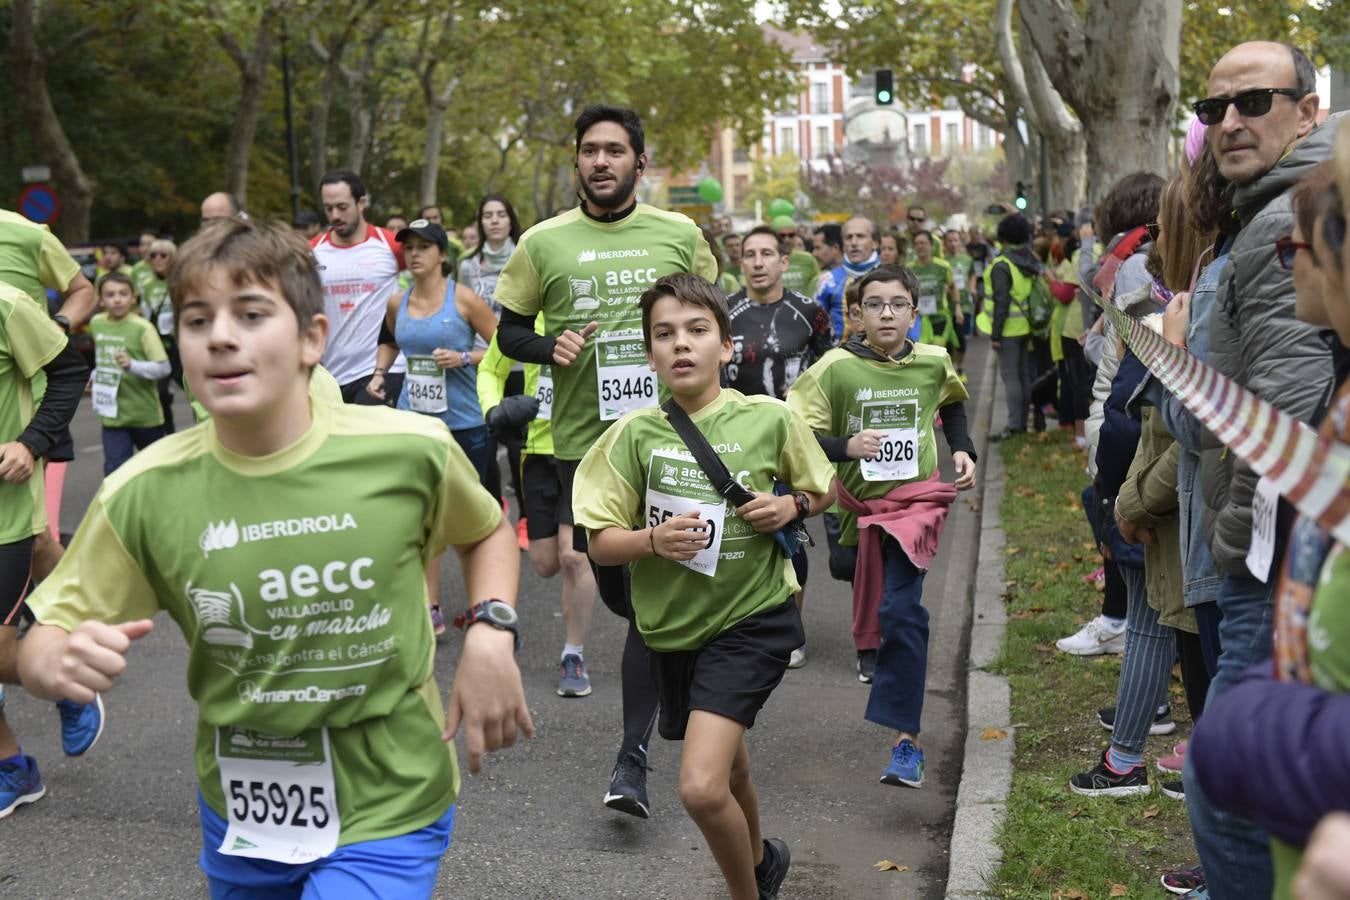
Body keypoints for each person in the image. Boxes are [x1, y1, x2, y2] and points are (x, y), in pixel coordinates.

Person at [16, 217, 532, 897]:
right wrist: (46, 661)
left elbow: (487, 530)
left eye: (252, 314)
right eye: (197, 321)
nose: (221, 335)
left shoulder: (410, 451)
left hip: (392, 792)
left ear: (312, 339)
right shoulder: (141, 491)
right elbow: (44, 629)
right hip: (242, 806)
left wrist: (491, 632)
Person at [575, 272, 835, 900]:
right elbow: (599, 542)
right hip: (672, 628)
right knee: (730, 760)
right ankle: (762, 859)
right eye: (664, 335)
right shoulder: (632, 435)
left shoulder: (769, 418)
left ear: (726, 346)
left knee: (698, 785)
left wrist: (792, 506)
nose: (681, 345)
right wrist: (651, 542)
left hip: (752, 619)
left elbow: (823, 487)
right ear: (649, 353)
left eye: (697, 331)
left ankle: (748, 892)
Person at [494, 104, 718, 819]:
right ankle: (672, 701)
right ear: (577, 162)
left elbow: (714, 314)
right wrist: (547, 347)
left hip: (674, 439)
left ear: (639, 164)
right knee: (626, 598)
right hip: (586, 449)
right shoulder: (542, 242)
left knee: (653, 606)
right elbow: (510, 329)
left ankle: (633, 759)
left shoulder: (679, 233)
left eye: (615, 151)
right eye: (589, 150)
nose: (601, 161)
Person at [1183, 42, 1336, 898]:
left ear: (1309, 110)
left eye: (1255, 102)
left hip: (1266, 558)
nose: (1231, 123)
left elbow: (1286, 404)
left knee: (1227, 782)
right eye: (1215, 110)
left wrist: (1241, 543)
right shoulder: (1264, 207)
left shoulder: (1289, 217)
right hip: (1260, 550)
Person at [787, 264, 976, 784]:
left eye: (897, 304)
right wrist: (845, 447)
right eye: (875, 304)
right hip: (859, 507)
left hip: (915, 505)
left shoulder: (933, 362)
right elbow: (793, 430)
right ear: (858, 315)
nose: (887, 313)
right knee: (850, 571)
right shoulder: (835, 368)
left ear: (914, 313)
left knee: (901, 608)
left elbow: (953, 403)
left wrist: (962, 449)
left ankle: (906, 744)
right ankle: (875, 652)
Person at [369, 219, 497, 633]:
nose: (415, 255)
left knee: (471, 517)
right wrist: (379, 372)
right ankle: (431, 607)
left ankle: (486, 602)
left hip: (463, 422)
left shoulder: (463, 300)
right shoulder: (397, 301)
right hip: (414, 420)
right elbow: (388, 339)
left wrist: (463, 359)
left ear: (443, 255)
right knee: (423, 516)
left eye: (424, 247)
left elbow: (502, 347)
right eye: (409, 249)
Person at [0, 280, 92, 820]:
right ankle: (13, 766)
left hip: (5, 511)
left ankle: (67, 680)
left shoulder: (7, 304)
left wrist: (30, 442)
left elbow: (67, 373)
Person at [726, 226, 834, 668]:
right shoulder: (724, 311)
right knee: (742, 531)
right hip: (736, 435)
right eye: (749, 253)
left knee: (792, 534)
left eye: (767, 253)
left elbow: (829, 370)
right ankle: (739, 621)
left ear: (784, 262)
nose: (757, 261)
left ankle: (792, 627)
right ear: (740, 263)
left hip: (792, 437)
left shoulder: (809, 312)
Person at [478, 325, 600, 698]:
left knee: (574, 557)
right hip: (536, 453)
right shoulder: (525, 323)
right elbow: (490, 368)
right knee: (545, 562)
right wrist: (495, 410)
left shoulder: (588, 309)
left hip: (583, 449)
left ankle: (572, 654)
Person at [0, 207, 97, 590]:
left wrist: (53, 328)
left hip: (34, 404)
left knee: (35, 538)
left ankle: (76, 617)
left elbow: (83, 290)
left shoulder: (27, 234)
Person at [459, 194, 527, 530]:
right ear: (480, 222)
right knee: (485, 438)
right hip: (483, 363)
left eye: (501, 214)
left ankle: (527, 517)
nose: (495, 220)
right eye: (488, 215)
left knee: (518, 443)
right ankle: (495, 507)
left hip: (520, 363)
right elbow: (464, 312)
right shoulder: (468, 265)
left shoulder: (526, 256)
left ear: (510, 219)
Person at [312, 169, 406, 403]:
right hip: (332, 375)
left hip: (381, 370)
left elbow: (429, 281)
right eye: (328, 208)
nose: (334, 215)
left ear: (361, 203)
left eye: (342, 207)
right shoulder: (311, 251)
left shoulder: (390, 245)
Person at [88, 273, 170, 474]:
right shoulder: (97, 323)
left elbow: (164, 368)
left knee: (155, 473)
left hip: (145, 416)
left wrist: (132, 366)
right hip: (112, 416)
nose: (117, 299)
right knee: (115, 472)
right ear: (101, 299)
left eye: (123, 294)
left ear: (133, 297)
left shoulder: (143, 328)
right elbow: (103, 359)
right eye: (110, 294)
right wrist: (94, 377)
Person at [983, 214, 1042, 440]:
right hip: (1025, 326)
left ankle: (1015, 425)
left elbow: (1001, 302)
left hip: (1007, 331)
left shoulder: (1002, 264)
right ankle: (1021, 424)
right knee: (1023, 376)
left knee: (1010, 378)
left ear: (1004, 239)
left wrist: (995, 334)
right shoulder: (1028, 259)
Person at [139, 239, 182, 433]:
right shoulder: (146, 284)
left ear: (173, 257)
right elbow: (146, 314)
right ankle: (169, 434)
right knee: (162, 393)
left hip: (180, 344)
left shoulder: (182, 280)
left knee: (194, 390)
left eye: (162, 255)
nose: (157, 259)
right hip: (160, 343)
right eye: (153, 255)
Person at [909, 230, 963, 351]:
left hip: (940, 316)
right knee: (921, 352)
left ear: (931, 245)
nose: (919, 246)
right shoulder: (909, 268)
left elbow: (953, 286)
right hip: (919, 319)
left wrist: (958, 308)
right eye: (917, 244)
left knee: (937, 350)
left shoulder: (943, 266)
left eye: (923, 243)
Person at [943, 230, 974, 375]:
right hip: (947, 306)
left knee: (961, 339)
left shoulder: (967, 259)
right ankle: (952, 368)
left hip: (964, 305)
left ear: (960, 241)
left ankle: (960, 367)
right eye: (949, 240)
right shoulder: (943, 261)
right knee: (949, 341)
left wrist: (972, 287)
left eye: (955, 240)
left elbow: (972, 273)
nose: (953, 243)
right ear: (945, 243)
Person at [811, 223, 847, 340]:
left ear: (835, 248)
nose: (814, 253)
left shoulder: (826, 280)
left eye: (818, 248)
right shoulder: (822, 279)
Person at [771, 216, 820, 297]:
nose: (787, 239)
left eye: (791, 235)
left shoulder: (808, 259)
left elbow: (818, 285)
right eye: (782, 235)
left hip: (804, 308)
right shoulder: (766, 261)